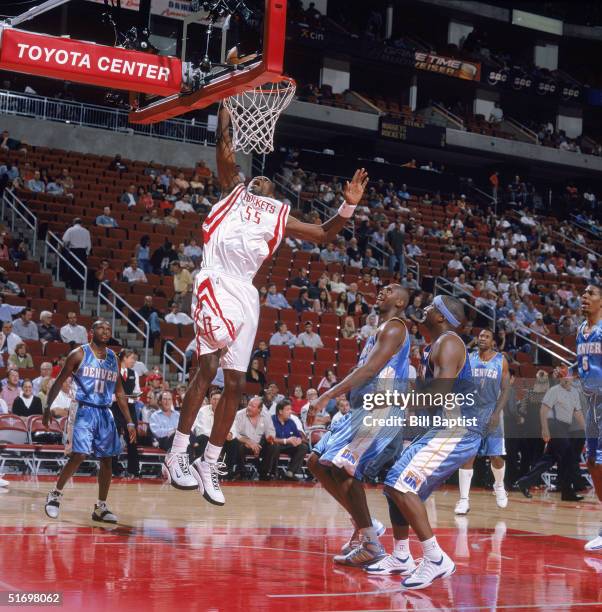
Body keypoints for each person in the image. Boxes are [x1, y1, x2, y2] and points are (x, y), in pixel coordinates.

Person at [163, 103, 369, 505]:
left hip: (245, 293)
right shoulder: (234, 191)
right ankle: (176, 454)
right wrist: (227, 103)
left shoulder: (278, 212)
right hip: (215, 279)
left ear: (274, 192)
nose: (257, 179)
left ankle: (210, 460)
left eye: (264, 179)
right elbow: (225, 149)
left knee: (237, 383)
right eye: (252, 176)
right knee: (208, 366)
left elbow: (326, 235)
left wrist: (348, 205)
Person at [382, 295, 482, 589]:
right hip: (440, 428)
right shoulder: (433, 347)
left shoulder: (448, 343)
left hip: (456, 430)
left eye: (430, 306)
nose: (423, 308)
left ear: (440, 316)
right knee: (392, 487)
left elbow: (438, 394)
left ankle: (435, 558)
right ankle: (401, 555)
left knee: (402, 483)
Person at [308, 285, 410, 567]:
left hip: (382, 411)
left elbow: (368, 371)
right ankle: (367, 524)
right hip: (360, 412)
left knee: (345, 469)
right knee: (315, 461)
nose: (382, 291)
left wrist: (327, 395)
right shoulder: (377, 332)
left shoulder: (395, 328)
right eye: (382, 288)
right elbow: (360, 372)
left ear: (400, 302)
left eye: (390, 291)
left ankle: (371, 544)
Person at [43, 320, 136, 522]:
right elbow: (59, 381)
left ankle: (101, 508)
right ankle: (55, 495)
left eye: (108, 329)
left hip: (104, 412)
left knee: (108, 459)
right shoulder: (78, 354)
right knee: (80, 454)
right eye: (101, 328)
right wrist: (46, 407)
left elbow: (119, 391)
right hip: (84, 409)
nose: (105, 331)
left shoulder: (113, 357)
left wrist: (129, 421)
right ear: (91, 332)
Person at [455, 329, 511, 515]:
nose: (481, 339)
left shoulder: (500, 360)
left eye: (486, 336)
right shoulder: (469, 359)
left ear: (493, 341)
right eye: (479, 337)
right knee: (468, 455)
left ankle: (500, 485)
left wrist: (496, 413)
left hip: (492, 411)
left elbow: (505, 390)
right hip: (471, 413)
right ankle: (463, 500)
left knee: (495, 456)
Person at [515, 370, 585, 501]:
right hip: (555, 425)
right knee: (568, 456)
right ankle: (567, 491)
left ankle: (525, 481)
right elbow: (543, 410)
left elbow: (578, 413)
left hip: (565, 427)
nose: (566, 379)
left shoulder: (574, 393)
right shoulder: (554, 390)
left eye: (568, 377)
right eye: (563, 377)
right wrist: (545, 429)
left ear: (572, 379)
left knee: (550, 458)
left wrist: (586, 429)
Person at [575, 283, 602, 552]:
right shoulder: (581, 332)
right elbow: (583, 365)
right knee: (593, 462)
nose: (585, 297)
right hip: (590, 402)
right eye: (583, 294)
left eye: (591, 294)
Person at [190, 390, 239, 477]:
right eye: (214, 399)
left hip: (222, 439)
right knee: (203, 438)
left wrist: (230, 434)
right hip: (207, 438)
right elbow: (202, 430)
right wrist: (220, 435)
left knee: (234, 442)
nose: (216, 401)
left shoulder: (228, 411)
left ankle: (227, 470)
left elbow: (233, 427)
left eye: (219, 399)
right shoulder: (202, 411)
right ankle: (205, 470)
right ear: (210, 400)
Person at [111, 349, 141, 478]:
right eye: (132, 358)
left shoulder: (134, 373)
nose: (134, 361)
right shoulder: (113, 372)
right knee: (113, 439)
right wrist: (117, 397)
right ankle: (113, 469)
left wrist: (132, 397)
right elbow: (109, 394)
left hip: (130, 409)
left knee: (132, 440)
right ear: (124, 358)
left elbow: (137, 393)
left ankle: (133, 470)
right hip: (115, 409)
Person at [233, 396, 278, 480]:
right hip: (244, 443)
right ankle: (241, 472)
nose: (249, 408)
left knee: (273, 446)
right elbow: (235, 433)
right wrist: (248, 442)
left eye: (253, 406)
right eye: (249, 405)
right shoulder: (239, 414)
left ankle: (263, 473)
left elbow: (271, 432)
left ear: (259, 409)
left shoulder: (266, 416)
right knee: (236, 444)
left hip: (260, 444)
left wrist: (270, 437)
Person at [271, 400, 309, 480]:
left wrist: (299, 440)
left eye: (291, 409)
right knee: (275, 446)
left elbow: (298, 436)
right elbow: (270, 438)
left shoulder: (291, 422)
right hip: (274, 445)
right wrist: (286, 440)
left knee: (303, 447)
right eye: (288, 409)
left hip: (288, 446)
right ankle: (273, 472)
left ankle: (290, 472)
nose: (290, 412)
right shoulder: (271, 420)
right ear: (280, 411)